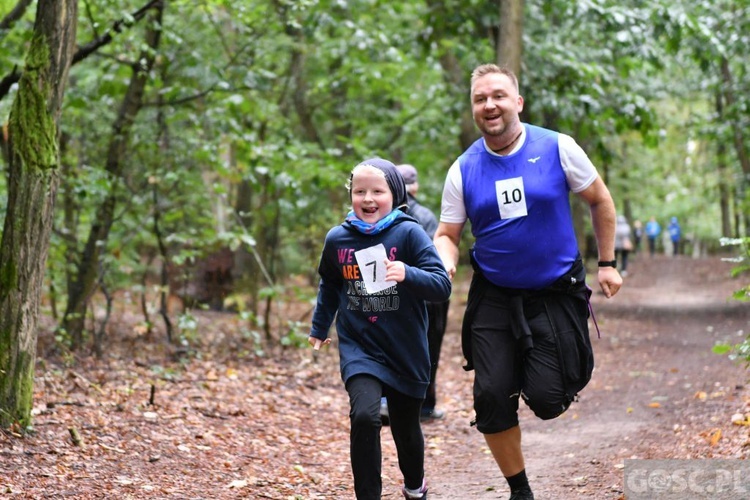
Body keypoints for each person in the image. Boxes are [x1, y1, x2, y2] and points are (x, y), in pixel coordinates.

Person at [433, 64, 622, 500]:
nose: (489, 105)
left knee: (548, 398)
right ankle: (520, 490)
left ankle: (535, 368)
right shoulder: (463, 169)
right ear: (474, 110)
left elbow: (600, 199)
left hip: (556, 290)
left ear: (517, 102)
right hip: (495, 293)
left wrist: (608, 263)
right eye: (480, 99)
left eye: (498, 95)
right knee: (492, 398)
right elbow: (447, 234)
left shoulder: (557, 147)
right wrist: (443, 264)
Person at [308, 158, 451, 500]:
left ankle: (415, 488)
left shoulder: (409, 232)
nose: (368, 199)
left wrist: (406, 272)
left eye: (377, 191)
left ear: (395, 194)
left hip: (405, 348)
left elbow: (440, 285)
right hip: (361, 347)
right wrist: (320, 325)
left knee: (405, 428)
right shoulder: (338, 238)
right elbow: (330, 284)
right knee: (365, 417)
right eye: (360, 191)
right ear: (351, 195)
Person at [394, 163, 450, 422]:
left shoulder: (381, 215)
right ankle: (425, 407)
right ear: (415, 186)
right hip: (428, 296)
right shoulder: (426, 216)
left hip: (394, 295)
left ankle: (391, 405)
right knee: (429, 350)